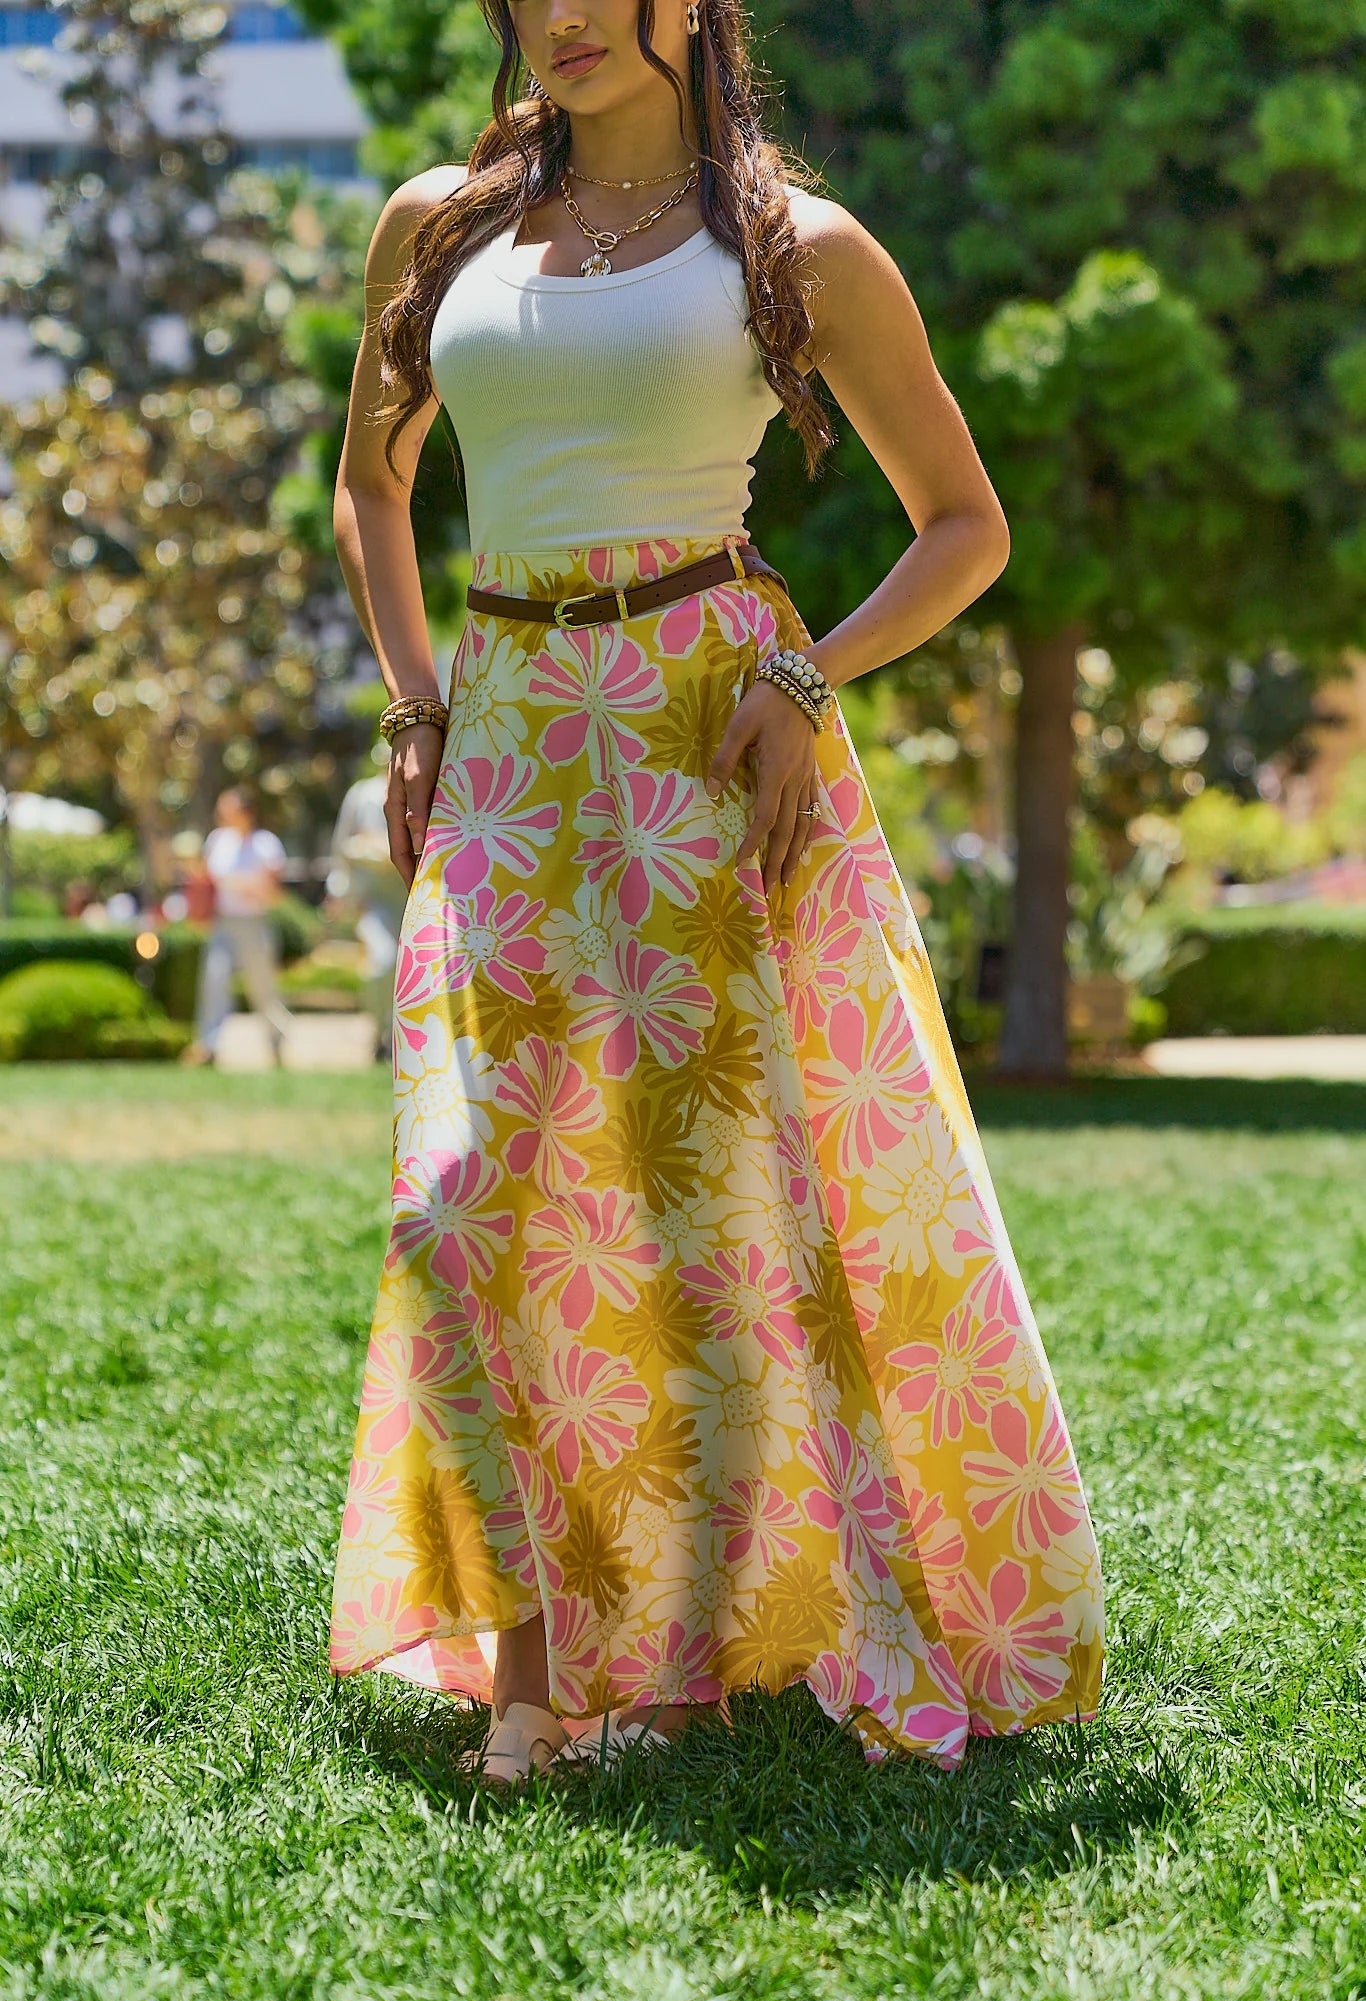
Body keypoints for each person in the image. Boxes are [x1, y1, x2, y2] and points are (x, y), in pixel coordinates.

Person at [327, 0, 1105, 1785]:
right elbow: (373, 486)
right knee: (468, 1202)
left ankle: (657, 1670)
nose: (562, 17)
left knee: (701, 1218)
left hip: (703, 744)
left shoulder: (793, 246)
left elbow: (963, 523)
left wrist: (806, 679)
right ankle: (536, 1661)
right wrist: (414, 704)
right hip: (511, 746)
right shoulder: (436, 221)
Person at [182, 785, 293, 1068]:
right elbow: (208, 881)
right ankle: (207, 1045)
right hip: (223, 923)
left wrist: (236, 883)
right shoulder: (217, 840)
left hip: (253, 924)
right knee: (214, 980)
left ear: (245, 811)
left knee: (262, 988)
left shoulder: (266, 844)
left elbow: (271, 891)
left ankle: (277, 1039)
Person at [325, 773, 410, 1063]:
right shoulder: (363, 793)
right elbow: (343, 844)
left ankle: (402, 1039)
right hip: (376, 900)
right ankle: (380, 1032)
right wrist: (340, 891)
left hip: (414, 894)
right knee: (382, 963)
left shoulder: (425, 783)